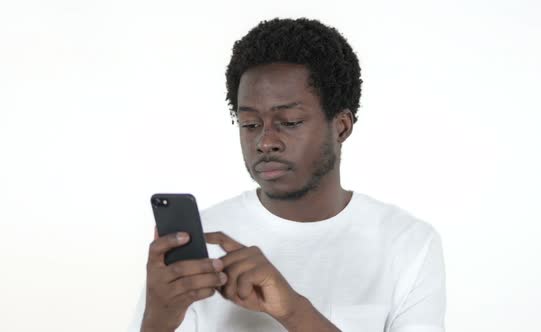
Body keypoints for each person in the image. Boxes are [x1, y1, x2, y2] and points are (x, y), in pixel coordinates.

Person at [129, 18, 446, 332]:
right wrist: (158, 320)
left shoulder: (407, 243)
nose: (265, 142)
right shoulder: (202, 243)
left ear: (342, 126)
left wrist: (293, 310)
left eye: (290, 122)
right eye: (250, 124)